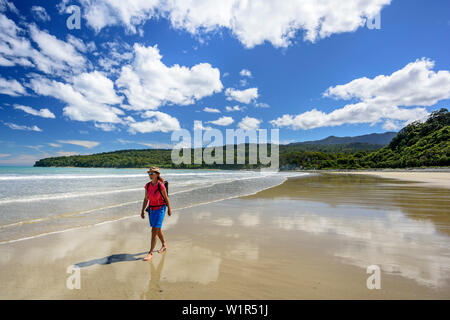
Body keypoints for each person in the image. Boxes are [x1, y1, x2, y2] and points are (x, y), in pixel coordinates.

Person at [140, 166, 172, 261]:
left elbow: (166, 198)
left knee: (154, 230)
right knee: (157, 230)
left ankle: (150, 253)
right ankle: (164, 245)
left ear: (157, 174)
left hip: (160, 209)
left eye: (152, 173)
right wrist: (142, 210)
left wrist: (169, 209)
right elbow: (146, 199)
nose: (150, 175)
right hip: (152, 209)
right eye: (149, 173)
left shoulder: (160, 185)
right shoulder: (148, 185)